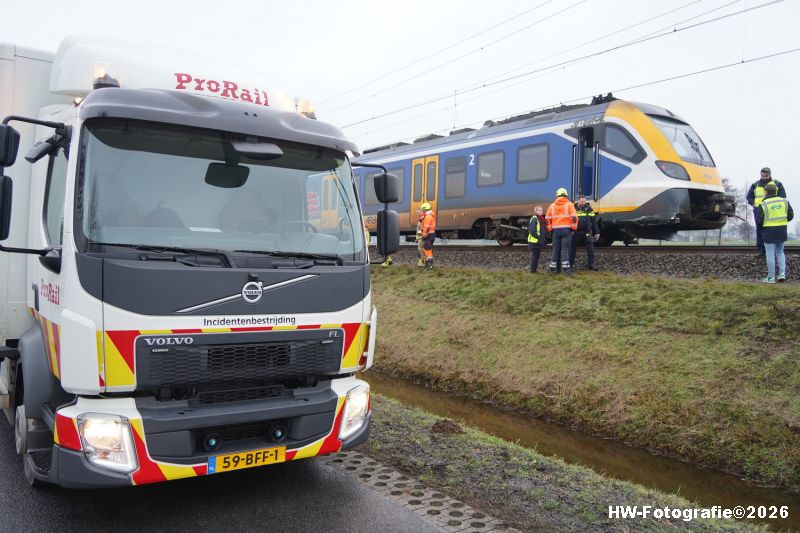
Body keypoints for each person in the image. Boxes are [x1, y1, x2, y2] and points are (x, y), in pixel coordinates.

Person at [754, 183, 793, 283]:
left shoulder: (763, 204)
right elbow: (790, 215)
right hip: (782, 229)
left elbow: (759, 220)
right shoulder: (784, 201)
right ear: (776, 191)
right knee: (780, 252)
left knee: (770, 254)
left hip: (768, 231)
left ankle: (771, 277)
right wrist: (782, 222)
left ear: (766, 192)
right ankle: (782, 274)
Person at [746, 167, 786, 257]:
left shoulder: (777, 184)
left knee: (772, 230)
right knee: (760, 231)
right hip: (759, 211)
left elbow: (783, 196)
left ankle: (773, 251)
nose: (764, 177)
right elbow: (749, 197)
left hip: (773, 211)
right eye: (763, 176)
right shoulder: (755, 185)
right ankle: (761, 251)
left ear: (770, 175)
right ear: (761, 175)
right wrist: (754, 204)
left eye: (766, 176)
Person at [545, 188, 577, 274]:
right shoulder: (569, 204)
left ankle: (553, 268)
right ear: (566, 195)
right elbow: (574, 217)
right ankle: (566, 269)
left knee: (555, 249)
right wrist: (574, 229)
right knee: (565, 249)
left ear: (557, 196)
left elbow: (547, 218)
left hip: (555, 231)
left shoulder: (552, 206)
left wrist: (550, 229)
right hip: (566, 230)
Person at [569, 195, 600, 270]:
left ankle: (591, 264)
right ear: (578, 201)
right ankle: (570, 264)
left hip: (587, 232)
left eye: (584, 201)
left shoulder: (588, 208)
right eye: (581, 201)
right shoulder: (573, 208)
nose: (583, 203)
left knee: (591, 247)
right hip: (576, 232)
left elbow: (594, 221)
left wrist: (597, 232)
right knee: (572, 248)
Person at [527, 205, 546, 272]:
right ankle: (533, 270)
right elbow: (532, 231)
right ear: (536, 211)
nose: (541, 212)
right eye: (539, 210)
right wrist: (539, 238)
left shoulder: (539, 219)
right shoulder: (534, 219)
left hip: (536, 241)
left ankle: (534, 270)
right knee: (535, 256)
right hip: (534, 241)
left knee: (536, 256)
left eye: (542, 210)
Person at [420, 202, 436, 270]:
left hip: (428, 235)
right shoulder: (428, 216)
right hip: (430, 235)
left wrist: (424, 234)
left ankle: (429, 265)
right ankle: (429, 265)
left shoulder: (428, 217)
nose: (421, 211)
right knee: (428, 249)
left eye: (422, 210)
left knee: (427, 249)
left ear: (425, 209)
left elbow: (426, 226)